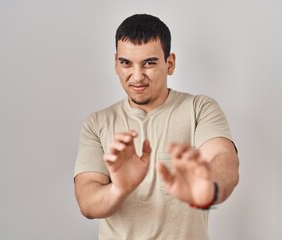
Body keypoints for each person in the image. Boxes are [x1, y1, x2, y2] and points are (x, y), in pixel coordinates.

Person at [74, 13, 239, 240]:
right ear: (116, 64)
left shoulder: (199, 108)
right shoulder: (97, 123)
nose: (137, 76)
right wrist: (119, 188)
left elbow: (224, 161)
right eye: (126, 63)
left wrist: (206, 184)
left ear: (169, 63)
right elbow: (87, 203)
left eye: (149, 63)